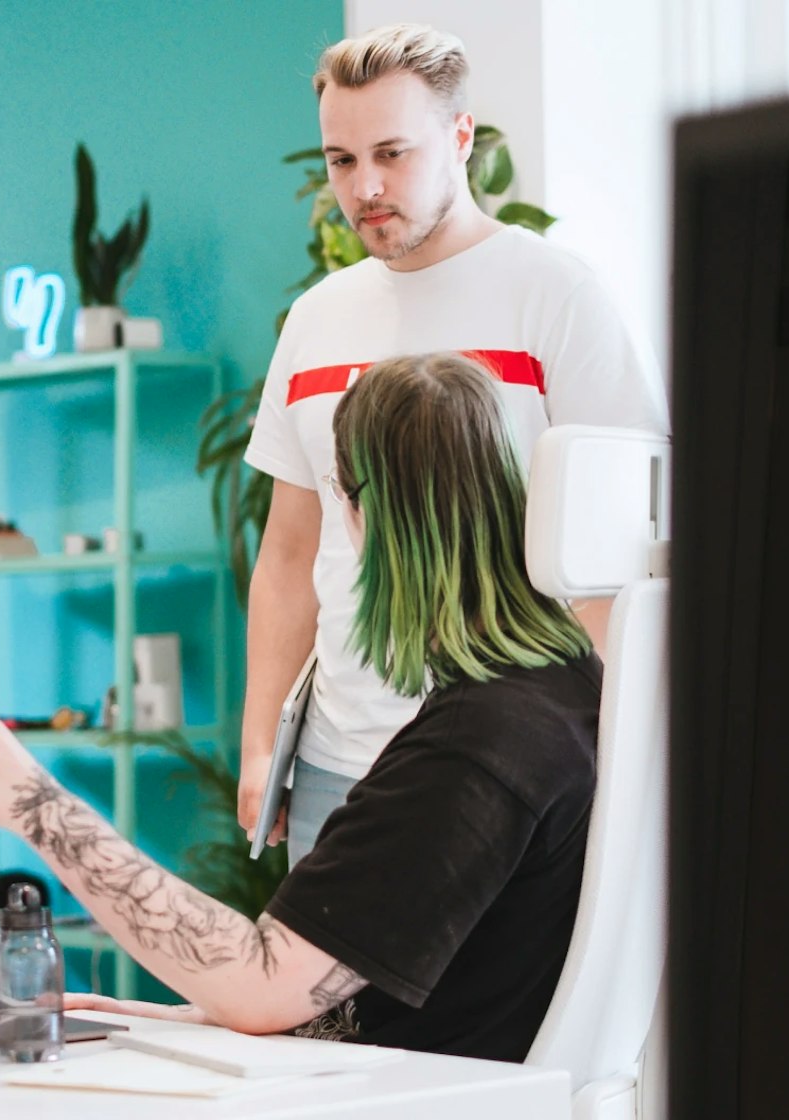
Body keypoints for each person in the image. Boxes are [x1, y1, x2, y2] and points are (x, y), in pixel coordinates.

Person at [0, 353, 601, 1061]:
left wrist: (34, 804)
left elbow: (263, 983)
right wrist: (182, 1019)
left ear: (360, 514)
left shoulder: (475, 744)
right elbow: (328, 981)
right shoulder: (565, 686)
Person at [239, 23, 669, 865]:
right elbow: (290, 552)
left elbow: (630, 556)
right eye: (341, 161)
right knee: (326, 1004)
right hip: (338, 761)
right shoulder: (316, 320)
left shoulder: (558, 297)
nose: (365, 187)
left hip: (509, 763)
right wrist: (262, 744)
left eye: (392, 153)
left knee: (504, 1001)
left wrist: (632, 753)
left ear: (461, 137)